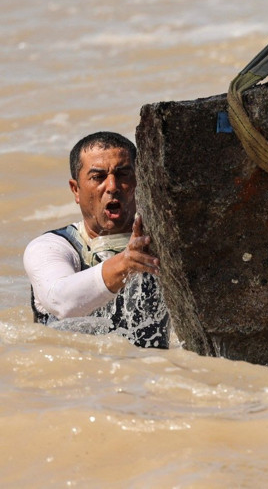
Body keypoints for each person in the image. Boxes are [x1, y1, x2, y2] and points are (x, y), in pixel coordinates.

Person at [23, 132, 170, 348]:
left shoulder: (166, 243)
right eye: (98, 177)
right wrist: (125, 263)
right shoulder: (50, 247)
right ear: (76, 190)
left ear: (141, 180)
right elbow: (62, 302)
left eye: (123, 174)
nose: (112, 186)